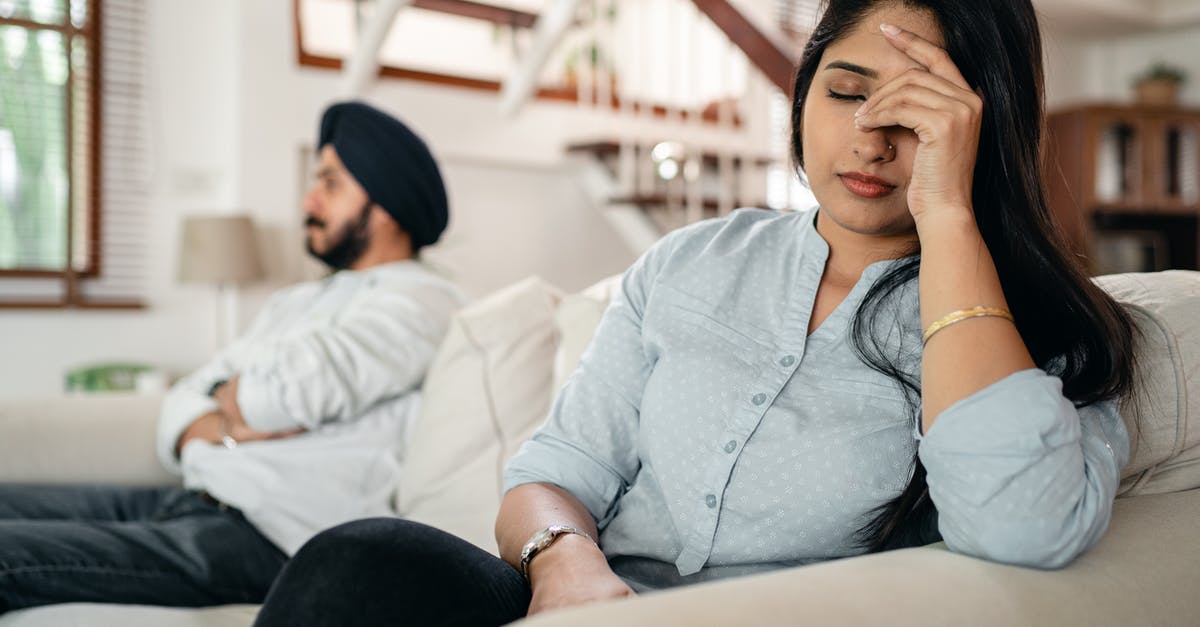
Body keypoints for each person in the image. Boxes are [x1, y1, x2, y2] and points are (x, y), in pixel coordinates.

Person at [251, 2, 1139, 626]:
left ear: (981, 127)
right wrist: (566, 565)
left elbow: (1022, 525)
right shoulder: (691, 261)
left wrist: (948, 213)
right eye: (845, 91)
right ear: (802, 95)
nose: (871, 137)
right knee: (355, 561)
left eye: (919, 113)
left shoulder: (1034, 330)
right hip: (574, 600)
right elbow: (555, 470)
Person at [0, 101, 464, 613]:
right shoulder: (299, 301)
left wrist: (234, 395)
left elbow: (272, 398)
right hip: (189, 498)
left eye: (330, 184)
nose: (308, 200)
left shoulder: (423, 301)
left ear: (388, 204)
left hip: (264, 538)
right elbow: (182, 400)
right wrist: (224, 423)